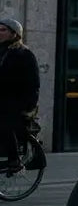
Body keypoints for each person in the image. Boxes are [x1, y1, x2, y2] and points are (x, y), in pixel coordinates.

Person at [0, 17, 40, 175]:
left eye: (3, 30)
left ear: (14, 34)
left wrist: (28, 106)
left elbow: (33, 83)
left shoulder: (24, 54)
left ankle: (14, 161)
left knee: (5, 123)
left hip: (16, 102)